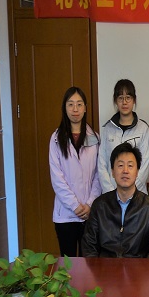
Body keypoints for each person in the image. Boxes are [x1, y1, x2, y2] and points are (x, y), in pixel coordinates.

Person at [82, 143, 149, 258]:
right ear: (112, 171)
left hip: (139, 267)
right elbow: (89, 246)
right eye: (120, 165)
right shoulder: (100, 205)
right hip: (106, 267)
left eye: (130, 166)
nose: (125, 171)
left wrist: (145, 268)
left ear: (137, 172)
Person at [49, 86, 102, 256]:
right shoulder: (56, 139)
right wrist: (74, 205)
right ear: (65, 108)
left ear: (85, 107)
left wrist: (90, 204)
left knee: (89, 264)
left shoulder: (95, 138)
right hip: (65, 214)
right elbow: (57, 178)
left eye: (79, 104)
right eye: (70, 104)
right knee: (68, 264)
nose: (75, 109)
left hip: (89, 213)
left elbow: (99, 175)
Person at [97, 79, 149, 194]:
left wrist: (128, 191)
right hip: (111, 194)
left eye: (128, 97)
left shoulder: (143, 129)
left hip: (137, 194)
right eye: (120, 98)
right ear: (115, 101)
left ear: (134, 100)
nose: (124, 102)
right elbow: (102, 164)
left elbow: (145, 165)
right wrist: (112, 192)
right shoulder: (108, 129)